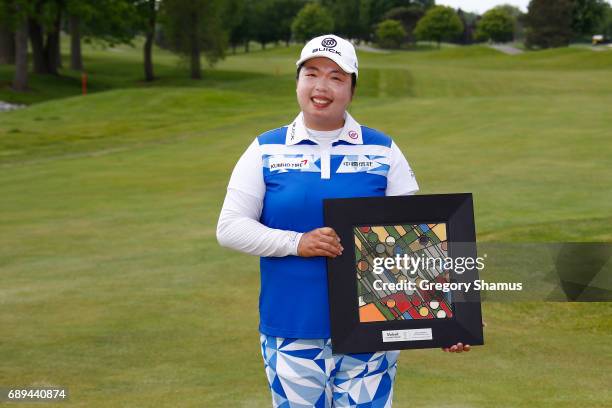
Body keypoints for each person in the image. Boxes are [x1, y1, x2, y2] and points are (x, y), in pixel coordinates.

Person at [217, 34, 470, 408]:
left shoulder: (382, 149)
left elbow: (416, 242)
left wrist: (447, 316)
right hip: (292, 328)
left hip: (372, 329)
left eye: (337, 77)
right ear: (298, 81)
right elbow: (230, 227)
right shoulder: (265, 149)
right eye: (312, 74)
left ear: (352, 88)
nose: (322, 87)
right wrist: (296, 243)